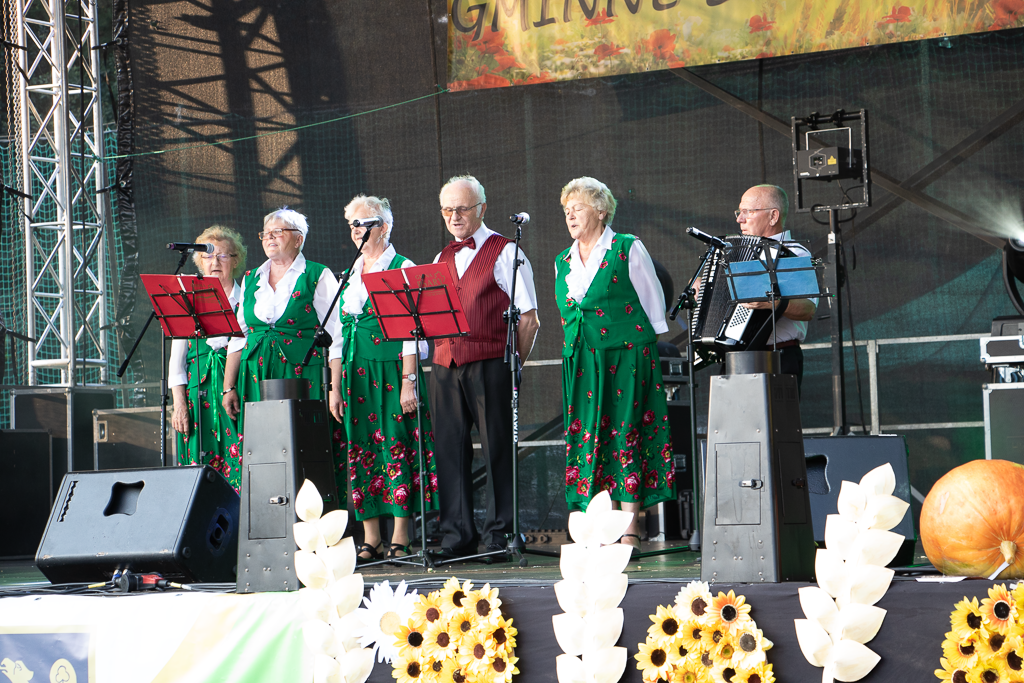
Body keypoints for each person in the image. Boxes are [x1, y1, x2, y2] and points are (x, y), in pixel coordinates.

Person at [555, 177, 674, 555]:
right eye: (567, 210)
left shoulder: (626, 248)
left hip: (626, 357)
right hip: (581, 362)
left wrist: (637, 348)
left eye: (578, 208)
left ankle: (630, 528)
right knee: (588, 438)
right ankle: (597, 527)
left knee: (625, 434)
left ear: (601, 211)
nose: (570, 215)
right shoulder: (562, 261)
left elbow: (653, 309)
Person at [430, 175, 540, 557]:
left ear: (482, 208)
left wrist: (513, 365)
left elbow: (529, 319)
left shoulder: (506, 251)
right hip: (444, 365)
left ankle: (499, 534)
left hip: (491, 363)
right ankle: (456, 537)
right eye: (448, 209)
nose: (455, 216)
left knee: (497, 450)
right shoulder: (441, 258)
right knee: (448, 451)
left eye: (462, 208)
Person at [327, 195, 438, 562]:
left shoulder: (403, 267)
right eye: (352, 225)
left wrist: (409, 380)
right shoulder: (350, 273)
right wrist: (335, 386)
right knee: (361, 450)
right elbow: (337, 336)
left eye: (363, 224)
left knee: (397, 445)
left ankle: (401, 534)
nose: (356, 231)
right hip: (356, 374)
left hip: (392, 371)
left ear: (384, 227)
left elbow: (412, 332)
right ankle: (371, 536)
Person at [222, 208, 340, 434]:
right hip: (256, 375)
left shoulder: (318, 274)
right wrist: (229, 387)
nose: (269, 237)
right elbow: (238, 337)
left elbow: (336, 336)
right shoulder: (251, 278)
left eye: (278, 231)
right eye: (265, 233)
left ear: (298, 239)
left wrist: (334, 387)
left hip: (302, 376)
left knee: (302, 440)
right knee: (262, 442)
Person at [168, 225, 247, 489]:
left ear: (235, 260)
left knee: (241, 457)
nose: (215, 262)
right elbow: (177, 362)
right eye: (208, 256)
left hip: (237, 391)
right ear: (199, 261)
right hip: (196, 395)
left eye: (223, 255)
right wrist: (179, 404)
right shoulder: (187, 300)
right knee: (197, 470)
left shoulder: (248, 298)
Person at [734, 184, 816, 388]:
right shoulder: (736, 253)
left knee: (774, 411)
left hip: (778, 357)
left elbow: (808, 309)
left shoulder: (795, 253)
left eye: (748, 212)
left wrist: (772, 303)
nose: (740, 219)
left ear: (773, 216)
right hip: (737, 359)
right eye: (739, 212)